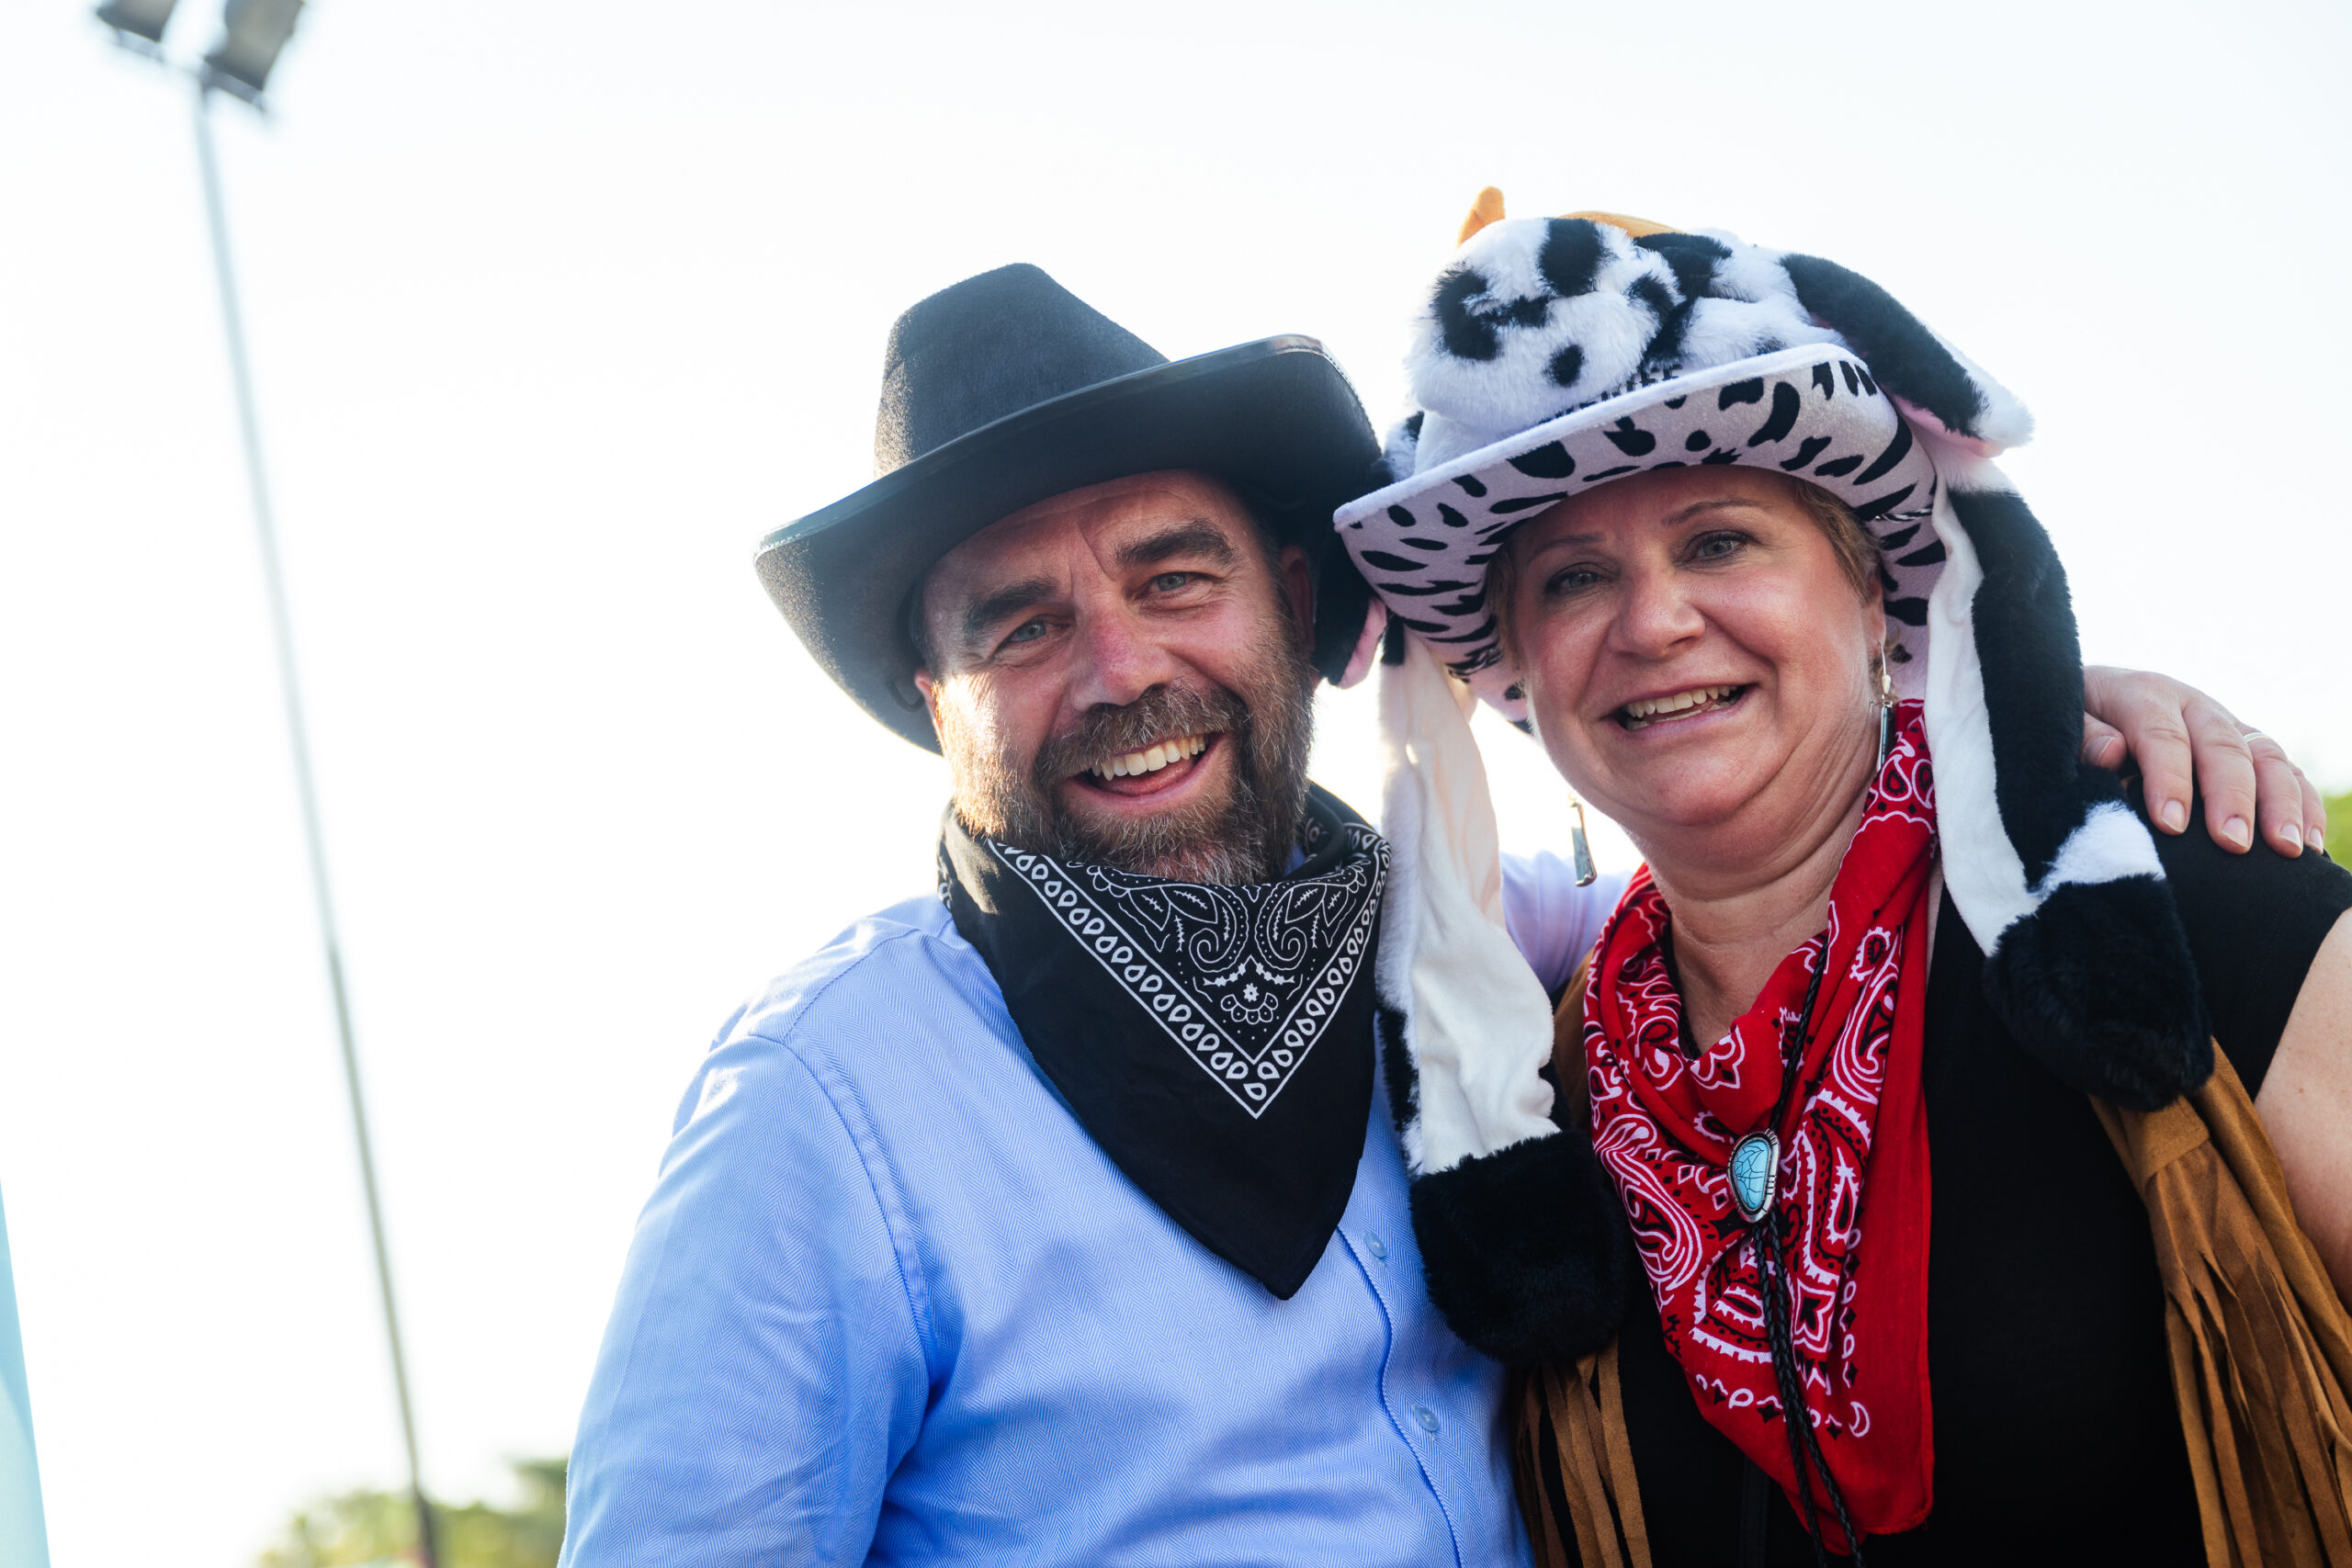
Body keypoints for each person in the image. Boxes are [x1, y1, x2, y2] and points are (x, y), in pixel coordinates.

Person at [556, 259, 2316, 1567]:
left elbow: (1761, 841)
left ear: (1294, 606)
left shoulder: (1506, 958)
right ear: (928, 699)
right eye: (1019, 626)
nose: (1121, 667)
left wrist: (2060, 709)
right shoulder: (822, 1106)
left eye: (1176, 577)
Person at [1340, 199, 2352, 1567]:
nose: (1653, 622)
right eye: (1574, 578)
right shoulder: (1535, 1083)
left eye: (1720, 542)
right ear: (1516, 667)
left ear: (1874, 596)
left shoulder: (2171, 893)